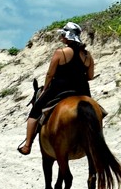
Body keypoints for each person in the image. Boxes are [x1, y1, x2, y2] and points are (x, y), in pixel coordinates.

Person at [17, 21, 95, 155]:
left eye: (63, 35)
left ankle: (27, 145)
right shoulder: (87, 55)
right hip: (82, 90)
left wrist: (45, 89)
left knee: (35, 111)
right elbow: (90, 76)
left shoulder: (61, 53)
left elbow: (50, 74)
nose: (61, 37)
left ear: (68, 36)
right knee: (95, 112)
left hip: (60, 88)